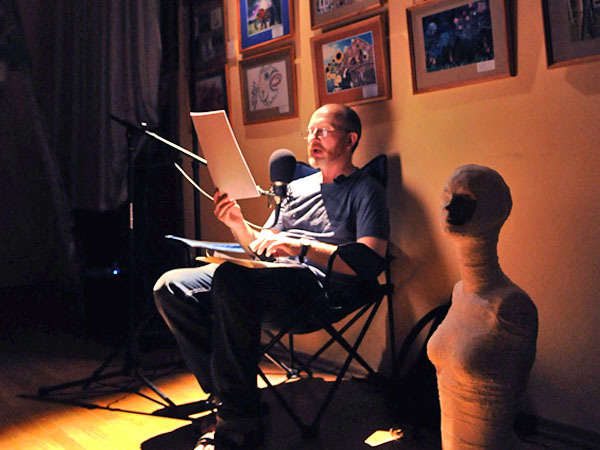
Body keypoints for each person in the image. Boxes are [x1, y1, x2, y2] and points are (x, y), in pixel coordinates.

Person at [153, 103, 390, 449]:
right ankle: (227, 396)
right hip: (270, 277)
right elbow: (259, 246)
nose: (313, 138)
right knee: (171, 286)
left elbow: (369, 260)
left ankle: (237, 422)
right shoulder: (295, 188)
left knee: (231, 281)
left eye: (323, 131)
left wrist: (301, 247)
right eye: (310, 132)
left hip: (316, 287)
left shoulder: (365, 190)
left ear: (350, 139)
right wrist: (236, 223)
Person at [427, 164, 538, 449]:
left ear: (493, 210)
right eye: (446, 196)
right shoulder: (459, 293)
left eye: (464, 199)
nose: (449, 208)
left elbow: (513, 391)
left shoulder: (512, 307)